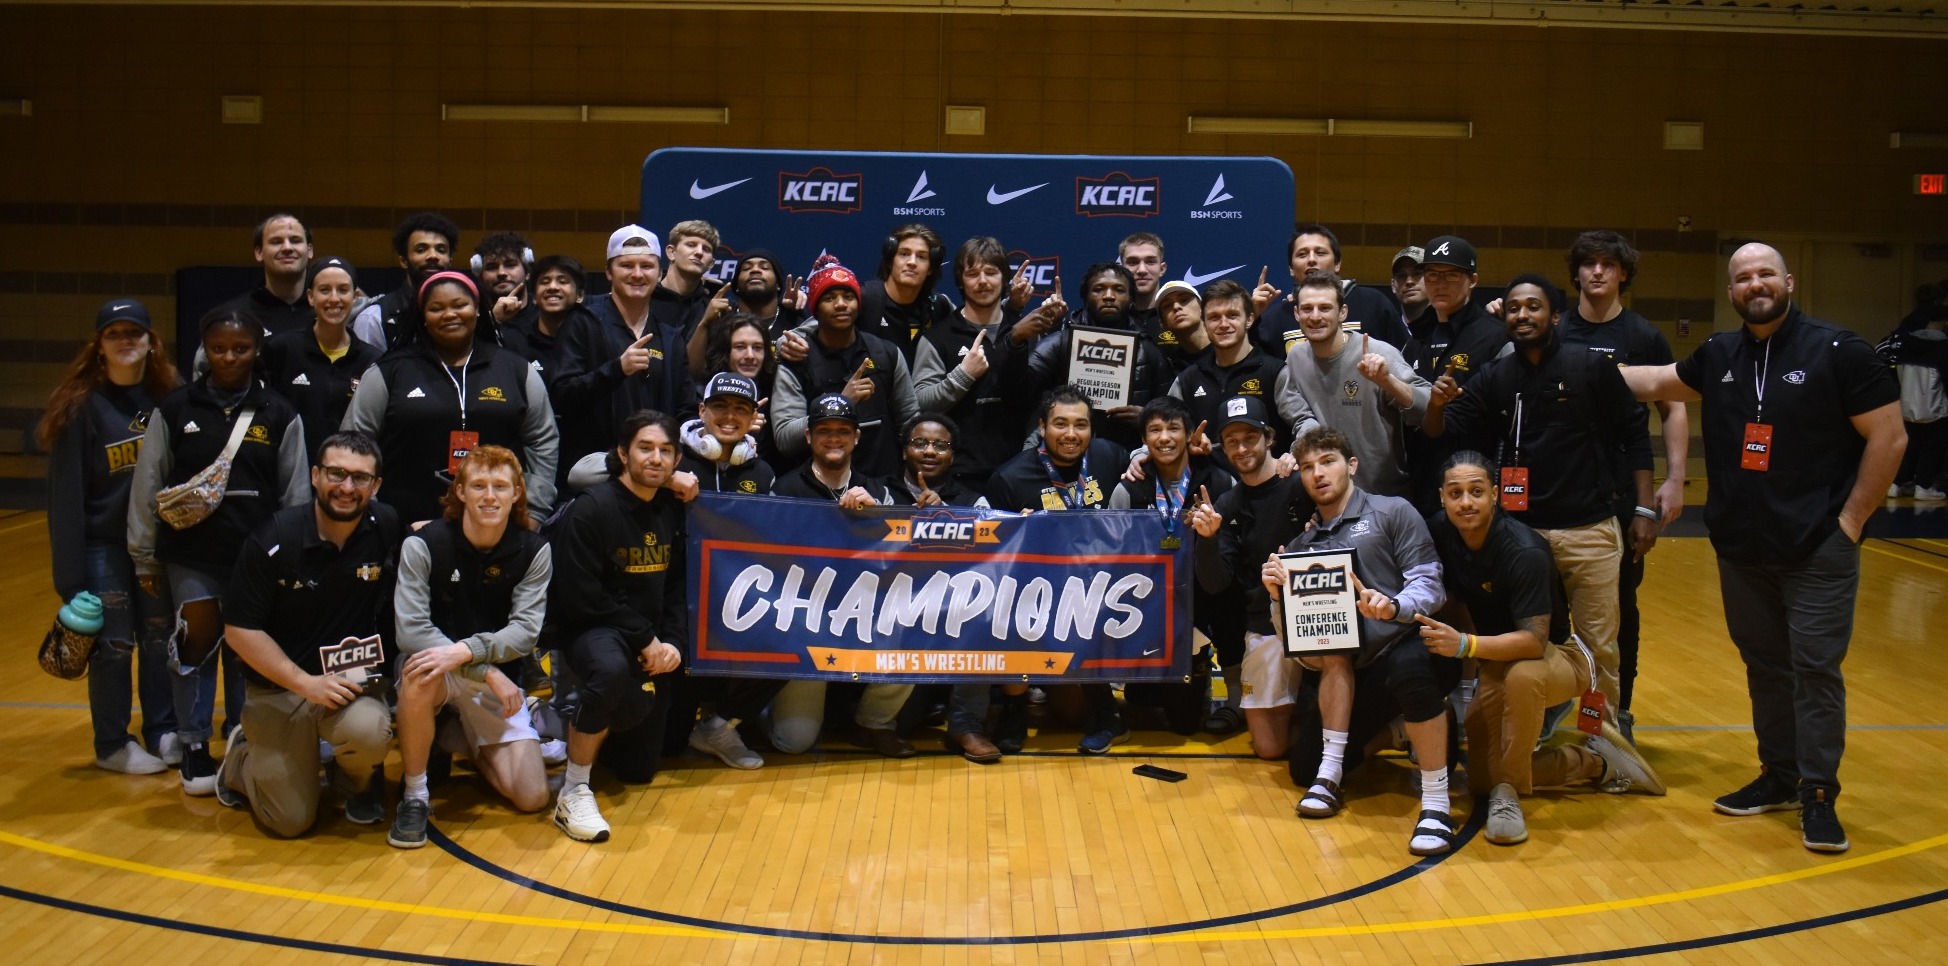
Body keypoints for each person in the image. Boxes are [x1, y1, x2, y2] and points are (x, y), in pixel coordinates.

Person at [1622, 242, 1906, 854]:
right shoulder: (1721, 352)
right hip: (1742, 548)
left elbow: (1889, 438)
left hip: (1817, 547)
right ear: (1731, 292)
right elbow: (1655, 381)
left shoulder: (1840, 351)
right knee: (1765, 667)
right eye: (1743, 277)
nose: (1755, 284)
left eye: (1765, 274)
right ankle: (1779, 775)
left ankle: (1819, 793)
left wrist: (1851, 521)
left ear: (1788, 280)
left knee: (1814, 671)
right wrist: (1564, 367)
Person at [1424, 273, 1654, 725]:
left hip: (1588, 530)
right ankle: (1538, 720)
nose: (1522, 315)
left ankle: (1600, 734)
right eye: (1513, 308)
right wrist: (1436, 402)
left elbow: (1635, 436)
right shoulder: (1496, 375)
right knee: (1532, 638)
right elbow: (1441, 429)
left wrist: (1644, 508)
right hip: (1522, 536)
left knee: (1597, 646)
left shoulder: (1590, 367)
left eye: (1533, 306)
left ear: (1555, 315)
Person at [1424, 450, 1663, 845]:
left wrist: (1465, 645)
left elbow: (1534, 643)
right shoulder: (1442, 531)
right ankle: (1596, 763)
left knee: (1523, 675)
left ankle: (1508, 797)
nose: (1466, 502)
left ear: (1496, 494)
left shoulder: (1524, 550)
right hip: (1496, 660)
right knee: (1478, 778)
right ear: (1442, 498)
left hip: (1559, 656)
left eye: (1476, 492)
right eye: (1456, 493)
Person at [128, 309, 310, 796]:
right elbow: (148, 484)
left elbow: (295, 494)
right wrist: (144, 556)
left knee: (246, 650)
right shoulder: (175, 408)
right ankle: (192, 745)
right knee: (194, 647)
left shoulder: (279, 411)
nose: (229, 357)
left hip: (256, 558)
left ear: (256, 351)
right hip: (192, 555)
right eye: (218, 348)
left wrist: (291, 553)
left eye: (241, 348)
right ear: (204, 350)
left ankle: (241, 734)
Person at [1269, 427, 1455, 856]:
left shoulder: (1393, 511)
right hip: (1358, 671)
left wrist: (1392, 606)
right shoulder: (1302, 546)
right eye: (1308, 467)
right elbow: (1304, 651)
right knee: (1301, 765)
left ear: (1351, 465)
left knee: (1409, 667)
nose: (1318, 474)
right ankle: (1363, 752)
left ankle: (1436, 804)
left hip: (1413, 646)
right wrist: (1277, 597)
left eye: (1328, 461)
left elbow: (1430, 585)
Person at [212, 430, 398, 837]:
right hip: (280, 688)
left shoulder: (385, 526)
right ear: (315, 475)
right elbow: (240, 631)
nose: (346, 488)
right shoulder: (274, 539)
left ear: (376, 486)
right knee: (290, 822)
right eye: (336, 474)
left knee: (370, 731)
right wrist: (306, 683)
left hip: (351, 685)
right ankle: (242, 761)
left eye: (360, 478)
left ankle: (354, 786)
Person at [1557, 230, 1690, 740]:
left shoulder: (1643, 336)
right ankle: (1553, 713)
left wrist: (1672, 482)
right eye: (1587, 264)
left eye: (1607, 265)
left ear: (1622, 274)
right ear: (1575, 273)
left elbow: (1673, 407)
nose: (1596, 273)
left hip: (1620, 491)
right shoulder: (1557, 328)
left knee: (1619, 610)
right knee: (1549, 612)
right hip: (1561, 491)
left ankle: (1617, 712)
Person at [42, 299, 183, 774]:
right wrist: (70, 576)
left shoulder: (169, 396)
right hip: (103, 545)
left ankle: (164, 730)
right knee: (115, 645)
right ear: (99, 346)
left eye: (134, 333)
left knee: (162, 638)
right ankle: (111, 743)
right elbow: (66, 498)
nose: (126, 341)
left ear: (151, 342)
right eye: (114, 334)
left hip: (157, 543)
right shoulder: (81, 407)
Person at [387, 446, 551, 848]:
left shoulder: (534, 550)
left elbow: (526, 632)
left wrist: (467, 653)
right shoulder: (423, 544)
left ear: (517, 494)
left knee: (532, 797)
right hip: (442, 670)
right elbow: (410, 632)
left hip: (484, 676)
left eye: (500, 486)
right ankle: (415, 795)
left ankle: (465, 740)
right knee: (418, 674)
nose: (489, 496)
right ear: (459, 491)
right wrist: (485, 668)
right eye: (478, 485)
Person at [546, 411, 691, 842]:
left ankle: (583, 722)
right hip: (591, 627)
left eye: (666, 451)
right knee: (609, 671)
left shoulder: (671, 511)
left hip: (644, 635)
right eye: (645, 448)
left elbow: (677, 586)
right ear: (622, 454)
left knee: (639, 770)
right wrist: (644, 637)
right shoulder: (591, 509)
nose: (655, 458)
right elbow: (579, 596)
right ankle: (573, 789)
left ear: (677, 460)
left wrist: (674, 644)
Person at [342, 271, 558, 523]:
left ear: (477, 309)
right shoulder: (389, 371)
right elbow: (354, 444)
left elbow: (543, 441)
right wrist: (374, 515)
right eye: (436, 308)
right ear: (423, 317)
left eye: (460, 305)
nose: (449, 314)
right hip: (403, 524)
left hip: (498, 526)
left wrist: (533, 511)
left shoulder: (517, 370)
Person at [768, 394, 916, 758]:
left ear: (856, 438)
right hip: (805, 617)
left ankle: (875, 722)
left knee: (916, 628)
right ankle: (762, 709)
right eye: (824, 431)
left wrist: (878, 514)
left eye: (843, 431)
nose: (833, 439)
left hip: (865, 609)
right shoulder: (785, 488)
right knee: (794, 742)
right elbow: (767, 557)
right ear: (808, 437)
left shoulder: (878, 489)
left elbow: (904, 558)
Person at [986, 386, 1131, 754]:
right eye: (1060, 424)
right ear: (1042, 427)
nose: (1071, 434)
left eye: (1080, 425)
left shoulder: (1112, 458)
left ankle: (1107, 715)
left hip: (1101, 588)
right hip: (1032, 595)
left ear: (1092, 429)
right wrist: (1012, 534)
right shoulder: (1010, 478)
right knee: (1009, 610)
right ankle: (1014, 711)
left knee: (1071, 713)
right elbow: (990, 551)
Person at [1188, 396, 1314, 747]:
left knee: (1314, 735)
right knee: (1270, 749)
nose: (1242, 448)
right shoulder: (1226, 504)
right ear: (1222, 447)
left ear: (1270, 438)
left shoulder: (1302, 481)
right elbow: (1214, 583)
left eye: (1250, 438)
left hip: (1317, 617)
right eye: (1232, 441)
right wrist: (1209, 539)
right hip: (1264, 624)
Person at [675, 372, 784, 770]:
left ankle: (721, 725)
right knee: (667, 746)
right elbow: (581, 475)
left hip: (739, 597)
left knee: (793, 630)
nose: (729, 416)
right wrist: (665, 476)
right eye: (720, 406)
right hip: (676, 600)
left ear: (753, 417)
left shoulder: (762, 473)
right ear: (702, 410)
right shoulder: (670, 455)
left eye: (741, 409)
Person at [1110, 395, 1237, 735]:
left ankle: (1197, 665)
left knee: (1185, 725)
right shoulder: (1128, 489)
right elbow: (1113, 562)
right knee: (1138, 702)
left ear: (1190, 434)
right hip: (1143, 611)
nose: (1164, 437)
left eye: (1173, 428)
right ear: (1144, 440)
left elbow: (1222, 575)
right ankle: (1145, 677)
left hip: (1199, 611)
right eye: (1154, 430)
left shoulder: (1220, 484)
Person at [552, 226, 690, 479]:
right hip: (595, 467)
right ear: (608, 271)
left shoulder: (670, 337)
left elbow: (685, 409)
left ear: (660, 273)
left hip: (656, 466)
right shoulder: (582, 321)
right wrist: (616, 369)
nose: (637, 274)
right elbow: (561, 395)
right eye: (626, 266)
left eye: (646, 266)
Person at [1278, 270, 1429, 498]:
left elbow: (1428, 407)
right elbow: (1302, 418)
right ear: (1297, 314)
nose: (1316, 316)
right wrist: (1298, 449)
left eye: (1325, 308)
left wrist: (1388, 382)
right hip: (1328, 502)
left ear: (1343, 313)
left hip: (1384, 498)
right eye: (1307, 309)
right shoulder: (1296, 359)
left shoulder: (1379, 352)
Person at [911, 237, 1046, 490]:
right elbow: (922, 404)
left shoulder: (1026, 331)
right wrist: (963, 374)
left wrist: (1029, 456)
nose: (982, 281)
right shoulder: (938, 337)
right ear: (960, 281)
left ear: (1005, 279)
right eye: (972, 274)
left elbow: (1039, 402)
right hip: (957, 477)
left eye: (991, 272)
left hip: (1019, 473)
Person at [771, 255, 919, 479]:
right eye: (829, 298)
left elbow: (910, 422)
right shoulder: (796, 356)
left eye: (848, 296)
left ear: (858, 304)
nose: (841, 304)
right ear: (815, 309)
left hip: (883, 483)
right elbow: (785, 438)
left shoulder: (887, 353)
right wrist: (841, 402)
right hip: (817, 488)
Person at [1403, 235, 1509, 512]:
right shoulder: (1416, 336)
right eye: (1432, 274)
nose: (1440, 283)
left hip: (1472, 483)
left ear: (1472, 280)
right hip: (1420, 481)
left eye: (1451, 275)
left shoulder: (1493, 336)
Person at [1022, 262, 1173, 451]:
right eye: (1099, 289)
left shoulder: (1149, 351)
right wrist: (1016, 339)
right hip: (1061, 452)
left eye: (1119, 290)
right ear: (1086, 297)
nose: (1109, 296)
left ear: (1131, 299)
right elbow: (1021, 391)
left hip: (1126, 459)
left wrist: (1147, 417)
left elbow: (1171, 413)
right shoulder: (1061, 341)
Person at [1171, 279, 1314, 471]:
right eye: (1214, 317)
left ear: (1249, 319)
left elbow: (1305, 422)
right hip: (1211, 491)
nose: (1223, 324)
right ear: (1204, 323)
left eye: (1232, 315)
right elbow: (1163, 427)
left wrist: (1296, 453)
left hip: (1269, 488)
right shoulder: (1188, 379)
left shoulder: (1274, 371)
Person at [260, 257, 383, 463]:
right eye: (325, 290)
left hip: (346, 476)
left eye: (343, 290)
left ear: (355, 297)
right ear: (310, 297)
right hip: (288, 470)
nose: (334, 298)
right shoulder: (282, 349)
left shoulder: (372, 360)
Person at [1250, 224, 1412, 358]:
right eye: (1302, 254)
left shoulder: (1373, 303)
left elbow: (1407, 355)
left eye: (1320, 253)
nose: (1311, 259)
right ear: (1291, 268)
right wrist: (1253, 316)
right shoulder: (1275, 317)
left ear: (1337, 264)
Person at [352, 211, 459, 351]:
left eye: (441, 250)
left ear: (450, 261)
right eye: (421, 250)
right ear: (403, 261)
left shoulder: (463, 314)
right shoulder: (374, 318)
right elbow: (369, 372)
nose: (433, 256)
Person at [857, 223, 955, 356]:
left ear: (930, 268)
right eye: (904, 254)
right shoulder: (863, 299)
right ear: (891, 260)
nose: (912, 262)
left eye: (921, 257)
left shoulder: (939, 306)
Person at [215, 213, 315, 338]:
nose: (287, 248)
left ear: (309, 250)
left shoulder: (333, 314)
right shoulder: (233, 316)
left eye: (295, 240)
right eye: (276, 242)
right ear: (259, 252)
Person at [504, 254, 591, 392]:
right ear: (534, 298)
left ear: (579, 296)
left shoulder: (592, 343)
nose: (552, 287)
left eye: (562, 281)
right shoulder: (515, 342)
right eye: (544, 281)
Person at [1118, 232, 1168, 336]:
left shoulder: (1177, 316)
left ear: (1162, 269)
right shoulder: (1110, 318)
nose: (1142, 270)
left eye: (1150, 261)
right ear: (1122, 269)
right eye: (1133, 262)